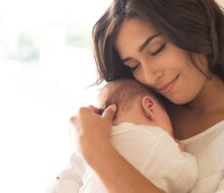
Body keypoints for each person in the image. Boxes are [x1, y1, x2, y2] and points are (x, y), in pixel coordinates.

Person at [70, 0, 224, 192]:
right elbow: (67, 182)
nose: (148, 76)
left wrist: (95, 150)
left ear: (197, 28)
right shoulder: (135, 111)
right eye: (133, 65)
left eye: (156, 50)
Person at [47, 79, 197, 193]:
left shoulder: (92, 142)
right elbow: (187, 177)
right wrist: (181, 152)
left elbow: (66, 180)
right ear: (149, 106)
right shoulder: (159, 141)